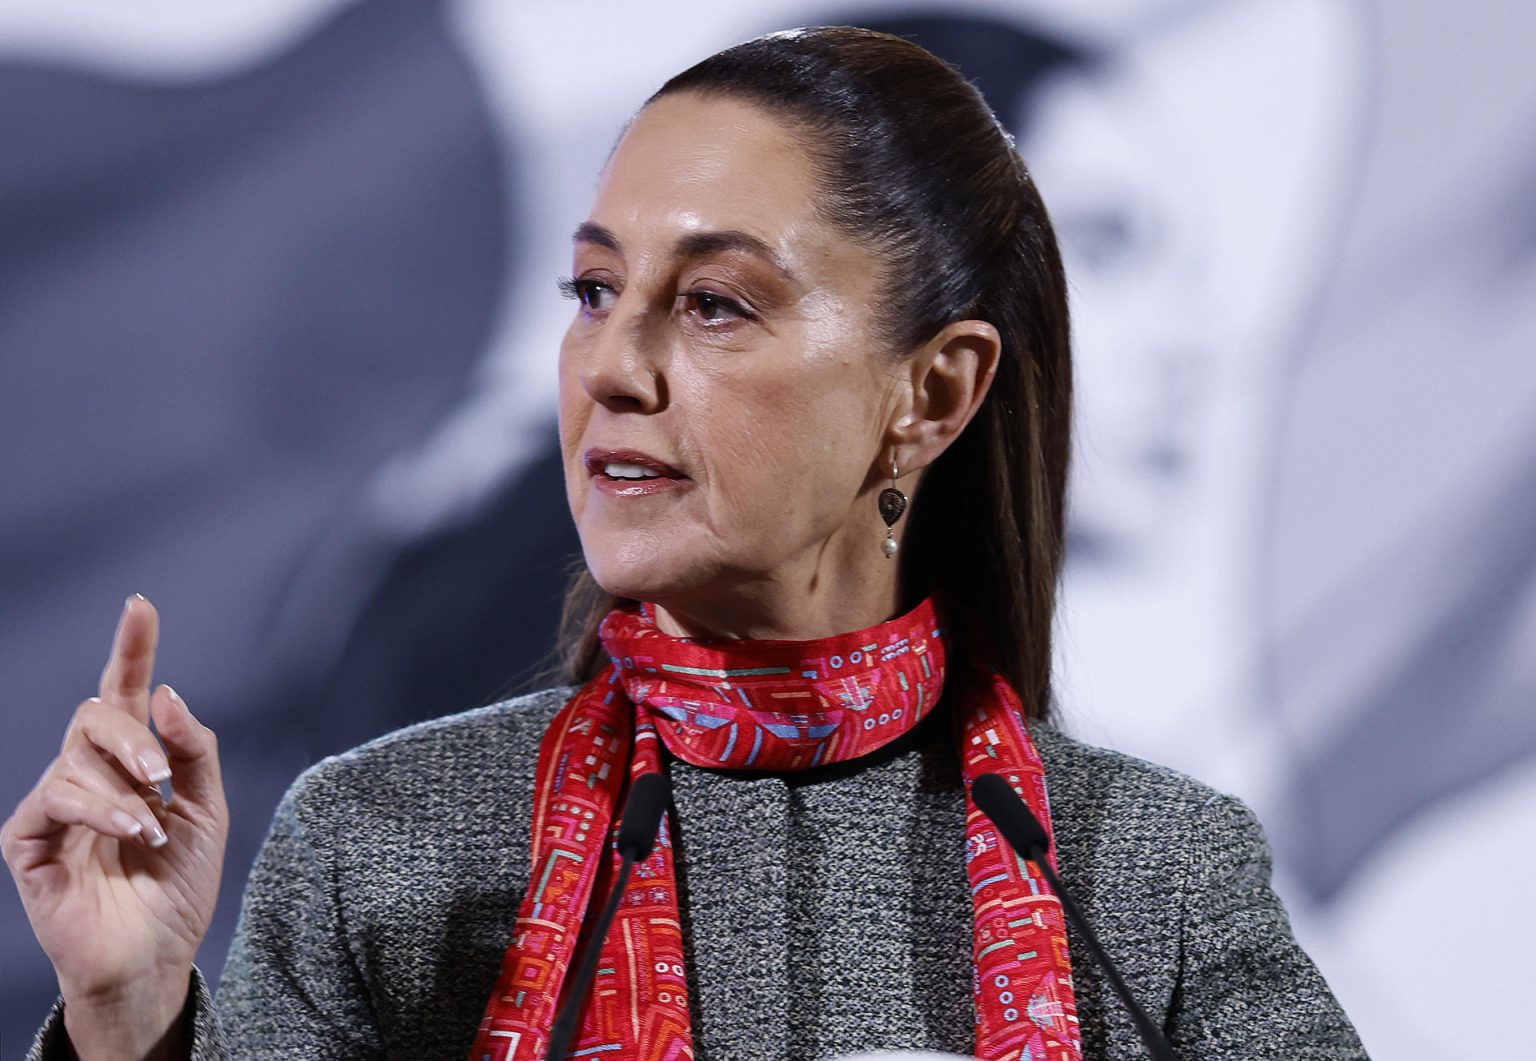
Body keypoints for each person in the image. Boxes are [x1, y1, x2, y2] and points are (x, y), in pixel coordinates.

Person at [4, 27, 1365, 1061]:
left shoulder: (1155, 876)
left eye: (711, 300)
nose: (617, 362)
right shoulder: (378, 836)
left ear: (939, 387)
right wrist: (128, 1016)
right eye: (596, 290)